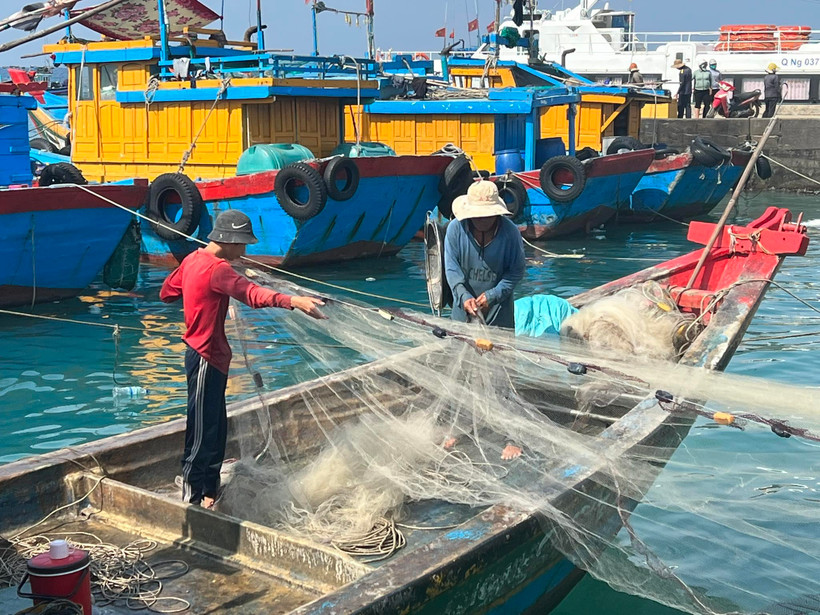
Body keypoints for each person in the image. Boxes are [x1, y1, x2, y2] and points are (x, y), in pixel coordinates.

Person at [160, 210, 326, 508]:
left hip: (214, 358)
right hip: (204, 357)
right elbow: (252, 294)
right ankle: (191, 500)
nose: (245, 250)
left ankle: (210, 491)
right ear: (229, 240)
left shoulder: (193, 260)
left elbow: (167, 292)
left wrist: (201, 296)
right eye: (243, 245)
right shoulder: (218, 270)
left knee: (216, 427)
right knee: (200, 431)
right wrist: (294, 301)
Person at [444, 180, 525, 330]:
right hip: (461, 317)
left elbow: (516, 271)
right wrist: (464, 297)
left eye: (486, 215)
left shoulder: (510, 233)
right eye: (477, 215)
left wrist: (493, 295)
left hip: (500, 319)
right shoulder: (455, 229)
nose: (481, 219)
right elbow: (451, 270)